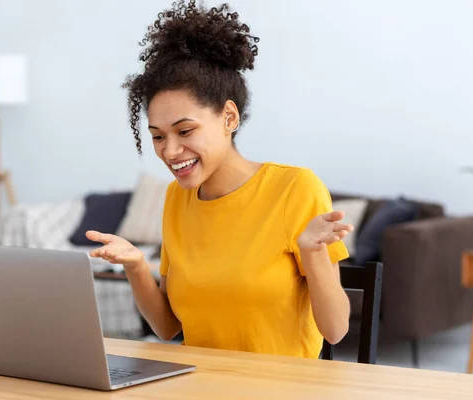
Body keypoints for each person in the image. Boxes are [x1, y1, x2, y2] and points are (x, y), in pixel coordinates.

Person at [86, 0, 353, 359]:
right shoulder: (177, 198)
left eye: (184, 131)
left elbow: (335, 331)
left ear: (229, 117)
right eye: (158, 136)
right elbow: (168, 328)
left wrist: (313, 254)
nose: (170, 151)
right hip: (199, 387)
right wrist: (135, 266)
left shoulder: (295, 189)